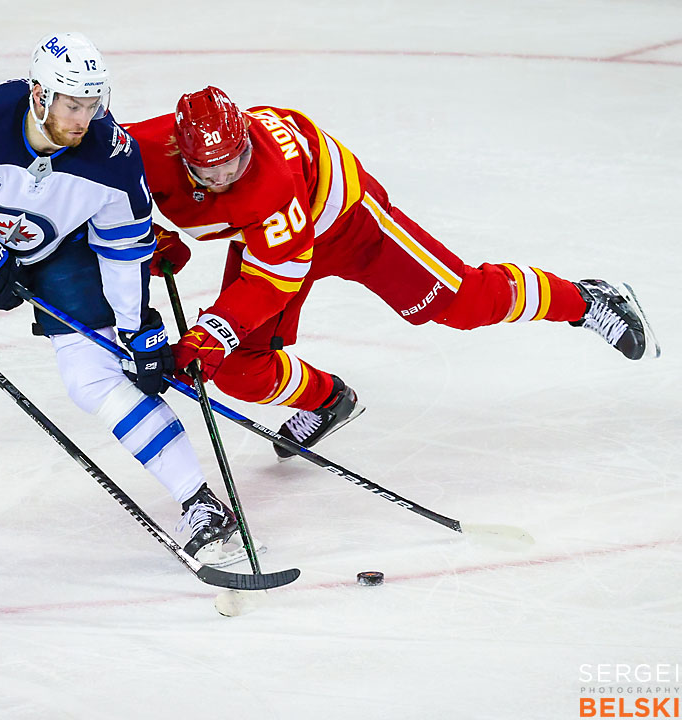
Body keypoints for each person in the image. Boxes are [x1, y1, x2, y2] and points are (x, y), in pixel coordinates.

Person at [127, 86, 660, 458]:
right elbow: (93, 172)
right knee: (238, 372)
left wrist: (208, 334)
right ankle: (329, 400)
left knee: (465, 304)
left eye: (233, 163)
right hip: (268, 242)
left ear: (246, 139)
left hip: (349, 226)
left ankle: (587, 300)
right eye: (207, 169)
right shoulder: (147, 148)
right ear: (180, 148)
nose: (222, 178)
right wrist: (142, 234)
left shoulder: (270, 183)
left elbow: (272, 282)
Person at [0, 32, 239, 563]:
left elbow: (121, 246)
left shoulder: (112, 157)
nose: (82, 120)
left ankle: (199, 502)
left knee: (96, 380)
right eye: (72, 104)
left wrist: (137, 326)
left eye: (92, 104)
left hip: (63, 252)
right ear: (40, 95)